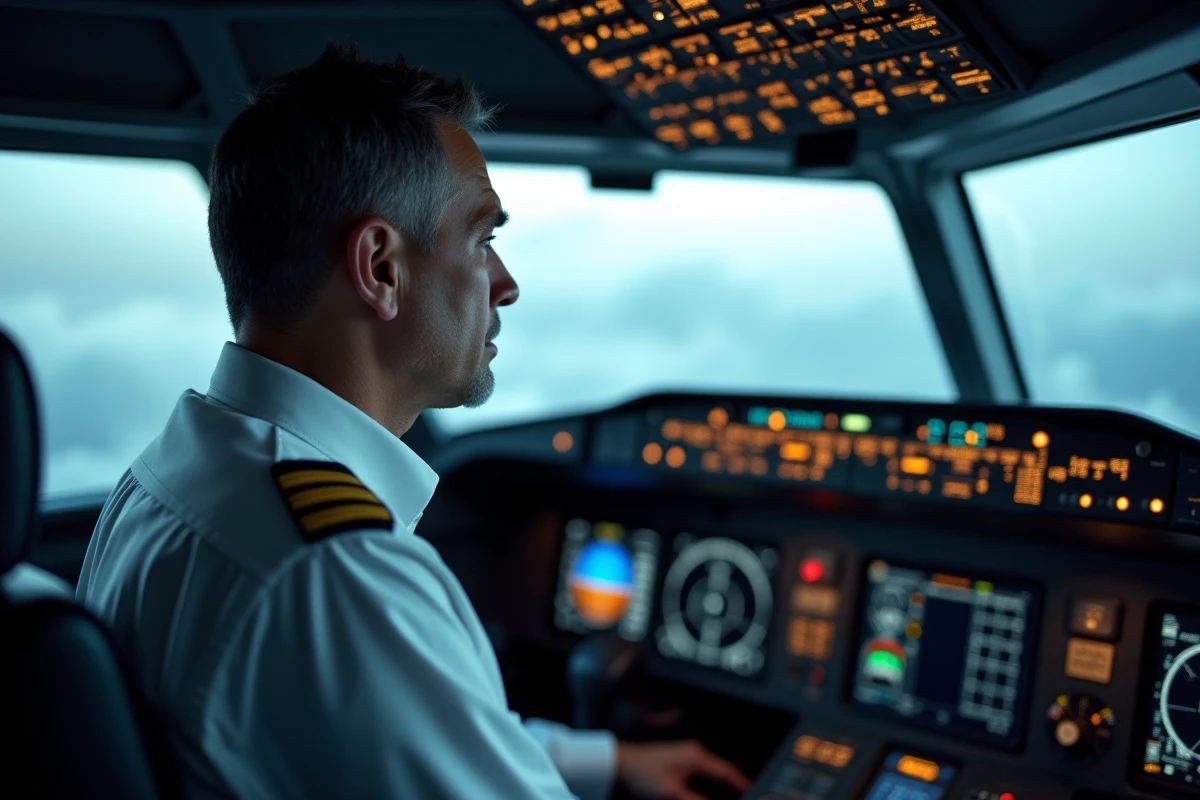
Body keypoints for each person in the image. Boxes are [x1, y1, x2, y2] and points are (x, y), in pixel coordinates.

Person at [75, 43, 751, 800]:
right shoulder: (339, 575)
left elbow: (366, 727)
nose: (506, 284)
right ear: (381, 268)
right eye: (483, 240)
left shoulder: (175, 473)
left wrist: (607, 764)